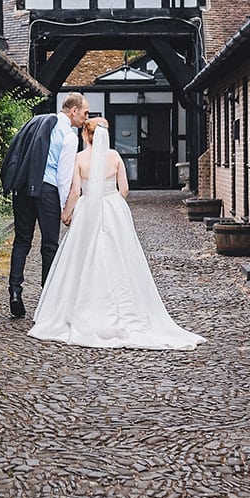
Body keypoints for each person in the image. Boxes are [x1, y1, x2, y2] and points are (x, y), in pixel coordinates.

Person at [28, 117, 206, 349]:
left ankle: (80, 306)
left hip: (86, 211)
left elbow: (74, 191)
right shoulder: (115, 157)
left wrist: (67, 213)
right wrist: (110, 202)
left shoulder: (80, 159)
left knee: (83, 257)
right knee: (120, 257)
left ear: (85, 135)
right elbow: (124, 189)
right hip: (113, 210)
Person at [0, 92, 89, 318]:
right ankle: (47, 299)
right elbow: (63, 175)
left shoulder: (38, 122)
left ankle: (15, 292)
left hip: (23, 188)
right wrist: (62, 206)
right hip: (48, 191)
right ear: (73, 110)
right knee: (49, 245)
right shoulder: (69, 136)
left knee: (21, 241)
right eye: (84, 113)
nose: (85, 119)